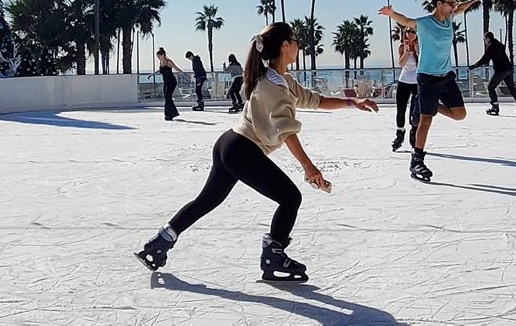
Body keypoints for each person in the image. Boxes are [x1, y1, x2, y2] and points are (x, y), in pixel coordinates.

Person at [135, 22, 379, 282]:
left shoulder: (278, 79)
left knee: (208, 200)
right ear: (285, 45)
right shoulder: (274, 85)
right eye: (295, 40)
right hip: (241, 150)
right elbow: (286, 131)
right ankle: (273, 256)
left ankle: (158, 243)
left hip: (229, 145)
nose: (298, 45)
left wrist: (353, 102)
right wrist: (309, 167)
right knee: (290, 198)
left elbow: (315, 100)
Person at [379, 0, 484, 182]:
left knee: (460, 114)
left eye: (453, 3)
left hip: (447, 77)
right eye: (450, 2)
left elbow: (461, 8)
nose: (453, 5)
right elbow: (407, 21)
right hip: (427, 78)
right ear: (439, 4)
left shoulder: (450, 18)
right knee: (426, 121)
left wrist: (474, 0)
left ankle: (426, 104)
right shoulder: (425, 23)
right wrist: (392, 13)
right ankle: (417, 160)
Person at [471, 31, 516, 116]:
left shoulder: (491, 46)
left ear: (488, 38)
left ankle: (495, 107)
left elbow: (484, 59)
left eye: (485, 39)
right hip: (509, 68)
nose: (485, 41)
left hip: (501, 70)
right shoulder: (500, 45)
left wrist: (473, 66)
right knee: (511, 88)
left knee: (491, 87)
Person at [391, 28, 419, 152]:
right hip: (404, 81)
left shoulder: (420, 45)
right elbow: (401, 64)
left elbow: (422, 62)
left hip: (417, 82)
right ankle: (399, 134)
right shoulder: (402, 46)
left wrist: (416, 51)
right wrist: (407, 52)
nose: (411, 34)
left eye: (413, 32)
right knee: (400, 110)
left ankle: (414, 134)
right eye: (408, 31)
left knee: (415, 112)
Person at [153, 48, 184, 121]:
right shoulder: (160, 62)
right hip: (166, 82)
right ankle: (172, 113)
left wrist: (184, 74)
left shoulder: (169, 62)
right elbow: (160, 70)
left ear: (163, 55)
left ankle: (168, 114)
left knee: (168, 96)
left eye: (159, 56)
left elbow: (176, 68)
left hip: (172, 82)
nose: (158, 58)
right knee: (167, 97)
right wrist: (152, 74)